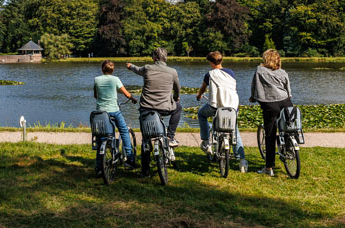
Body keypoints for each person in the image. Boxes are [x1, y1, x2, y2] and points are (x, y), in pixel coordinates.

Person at [127, 47, 182, 176]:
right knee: (178, 107)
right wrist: (176, 98)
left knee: (146, 139)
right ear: (165, 58)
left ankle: (145, 171)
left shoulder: (147, 68)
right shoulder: (172, 71)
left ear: (154, 58)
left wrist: (130, 66)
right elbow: (177, 88)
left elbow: (137, 69)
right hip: (165, 108)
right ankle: (170, 136)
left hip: (146, 108)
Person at [195, 51, 248, 173]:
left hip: (216, 106)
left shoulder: (210, 74)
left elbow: (202, 89)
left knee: (201, 114)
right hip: (232, 107)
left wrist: (199, 96)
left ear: (211, 63)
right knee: (234, 130)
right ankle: (242, 161)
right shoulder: (231, 73)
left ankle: (206, 142)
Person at [250, 49, 293, 177]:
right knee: (288, 127)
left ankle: (269, 168)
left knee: (270, 134)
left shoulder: (260, 70)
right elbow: (288, 90)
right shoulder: (282, 72)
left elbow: (255, 86)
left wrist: (253, 97)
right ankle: (289, 148)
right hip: (286, 102)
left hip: (270, 103)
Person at [94, 60, 137, 168]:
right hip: (114, 111)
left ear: (102, 69)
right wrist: (133, 99)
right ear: (112, 70)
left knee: (102, 136)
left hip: (100, 112)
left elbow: (96, 95)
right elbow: (127, 94)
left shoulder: (97, 79)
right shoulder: (115, 79)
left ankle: (99, 166)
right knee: (124, 131)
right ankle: (130, 159)